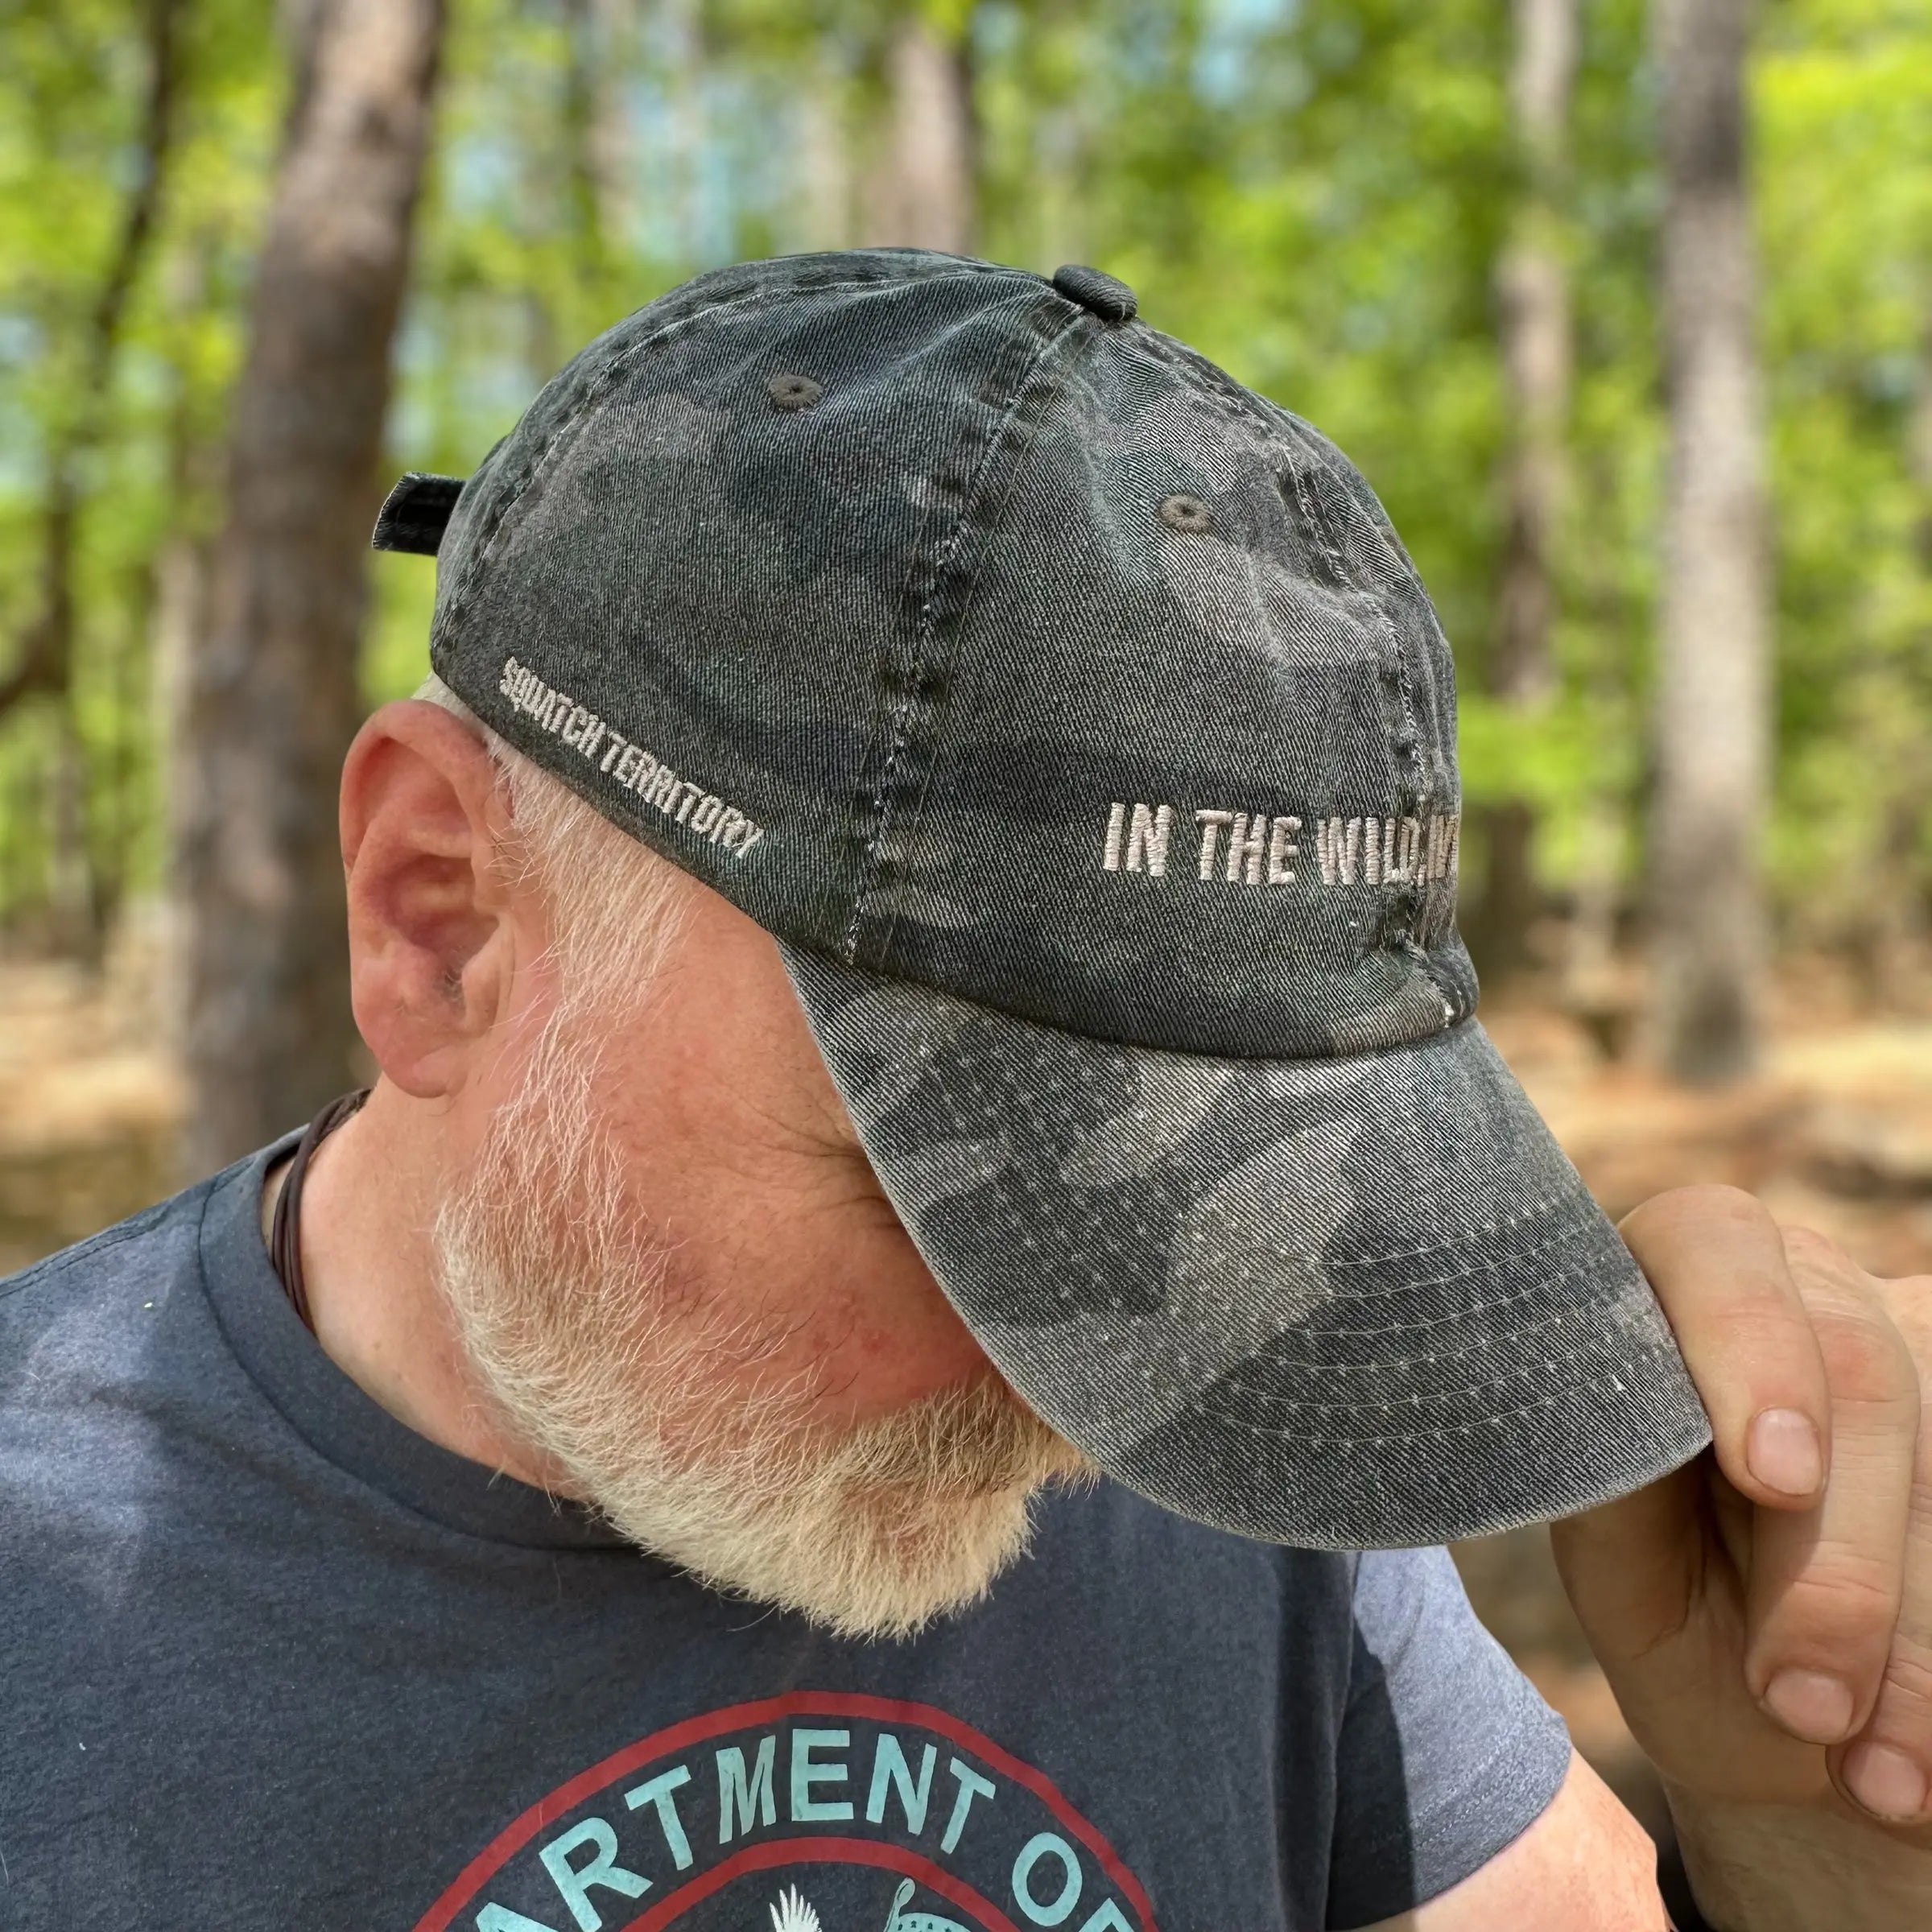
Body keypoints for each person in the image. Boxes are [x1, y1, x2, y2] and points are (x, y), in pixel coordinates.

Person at [1, 250, 1927, 1932]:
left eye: (1210, 1199)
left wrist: (1818, 1854)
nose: (1101, 1399)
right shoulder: (54, 1593)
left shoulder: (1229, 1446)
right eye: (952, 1180)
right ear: (442, 918)